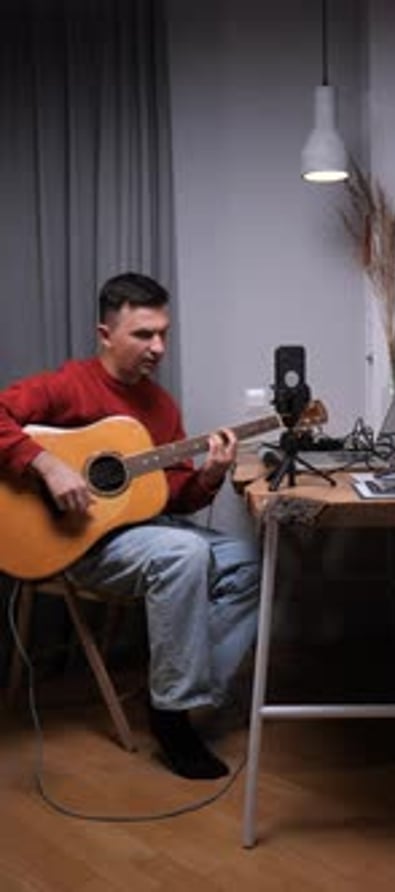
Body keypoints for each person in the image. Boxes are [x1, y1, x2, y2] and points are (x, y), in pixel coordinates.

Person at [0, 272, 260, 780]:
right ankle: (172, 715)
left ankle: (180, 686)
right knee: (185, 554)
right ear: (106, 334)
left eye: (163, 333)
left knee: (249, 562)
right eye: (144, 334)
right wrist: (46, 465)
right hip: (75, 542)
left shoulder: (161, 407)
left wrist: (208, 475)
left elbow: (174, 497)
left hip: (144, 533)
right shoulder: (67, 385)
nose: (158, 347)